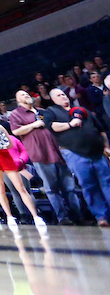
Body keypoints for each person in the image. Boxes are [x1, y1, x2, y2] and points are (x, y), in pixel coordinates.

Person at [9, 88, 81, 225]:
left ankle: (77, 216)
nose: (27, 95)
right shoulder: (16, 114)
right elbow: (16, 130)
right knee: (52, 189)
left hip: (57, 151)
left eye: (27, 93)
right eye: (23, 95)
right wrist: (33, 125)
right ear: (18, 100)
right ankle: (63, 217)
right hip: (40, 154)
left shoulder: (42, 111)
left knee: (69, 187)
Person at [43, 87, 110, 227]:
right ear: (53, 99)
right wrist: (69, 124)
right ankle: (101, 216)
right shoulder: (52, 111)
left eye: (64, 94)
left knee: (107, 182)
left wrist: (107, 147)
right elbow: (51, 126)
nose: (63, 97)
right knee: (89, 185)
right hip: (75, 153)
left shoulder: (81, 110)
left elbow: (101, 130)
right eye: (59, 95)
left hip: (98, 153)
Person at [0, 105, 46, 230]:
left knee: (20, 187)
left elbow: (10, 143)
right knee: (0, 188)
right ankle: (9, 216)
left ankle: (35, 216)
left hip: (4, 156)